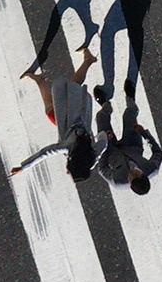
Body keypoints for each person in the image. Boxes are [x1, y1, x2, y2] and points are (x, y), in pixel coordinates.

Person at [10, 46, 102, 183]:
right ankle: (88, 60)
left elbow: (104, 139)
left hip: (66, 119)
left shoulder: (93, 155)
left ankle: (40, 81)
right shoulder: (68, 147)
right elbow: (45, 153)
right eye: (69, 171)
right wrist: (23, 167)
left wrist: (97, 135)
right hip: (75, 113)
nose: (67, 172)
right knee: (74, 84)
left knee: (50, 111)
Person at [94, 79, 162, 195]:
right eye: (136, 173)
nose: (131, 173)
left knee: (101, 117)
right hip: (133, 144)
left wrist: (104, 146)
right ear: (143, 174)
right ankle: (130, 96)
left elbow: (102, 169)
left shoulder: (118, 182)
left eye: (130, 179)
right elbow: (158, 153)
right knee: (130, 114)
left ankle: (105, 105)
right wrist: (144, 133)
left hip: (112, 151)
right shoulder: (152, 169)